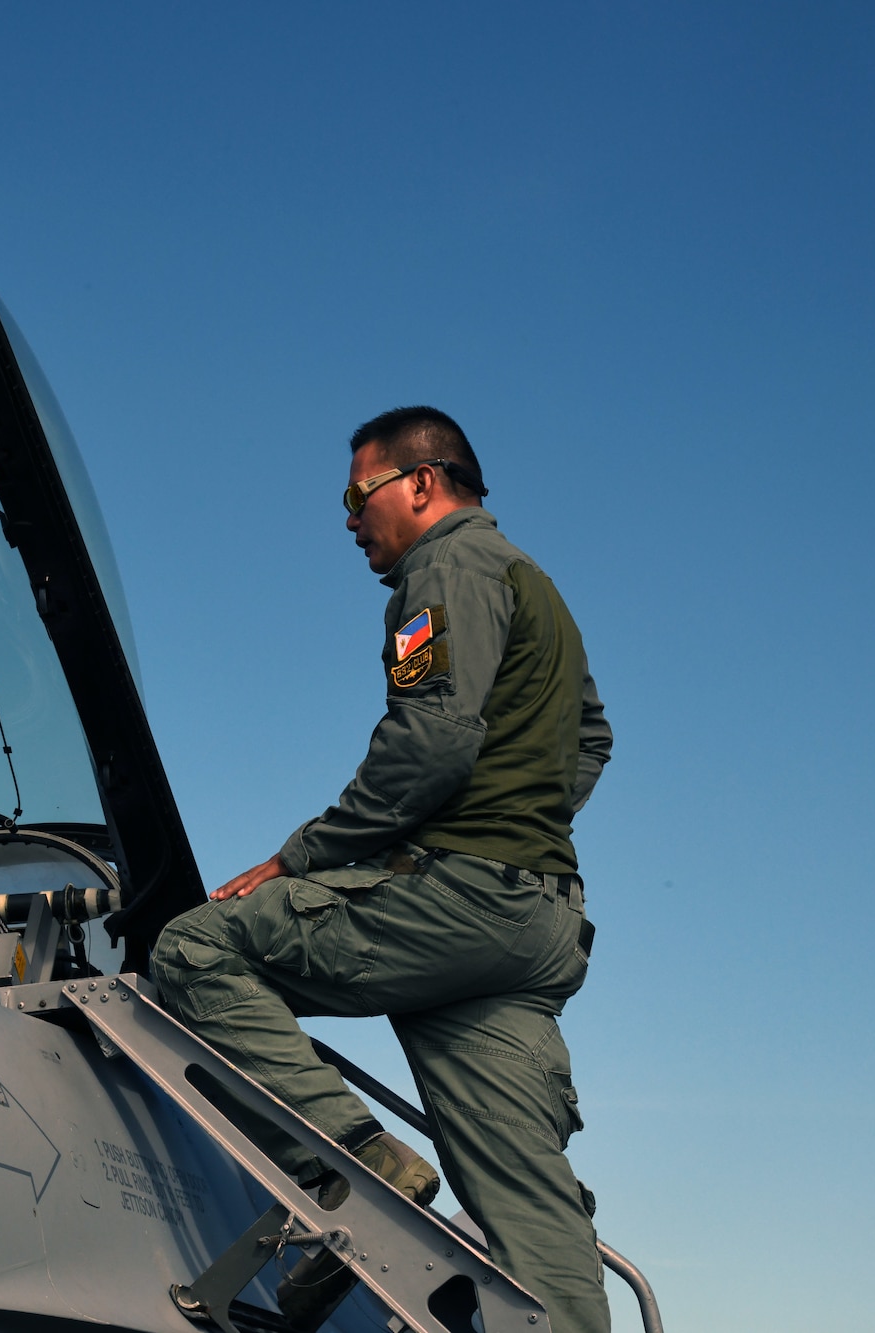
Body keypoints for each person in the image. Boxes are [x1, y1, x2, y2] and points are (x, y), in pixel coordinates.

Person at [151, 408, 613, 1333]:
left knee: (196, 947)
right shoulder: (536, 583)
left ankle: (352, 1160)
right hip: (541, 922)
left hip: (467, 897)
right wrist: (519, 823)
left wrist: (303, 855)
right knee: (528, 1208)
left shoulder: (443, 567)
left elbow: (432, 740)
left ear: (423, 484)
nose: (351, 521)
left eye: (357, 496)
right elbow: (592, 740)